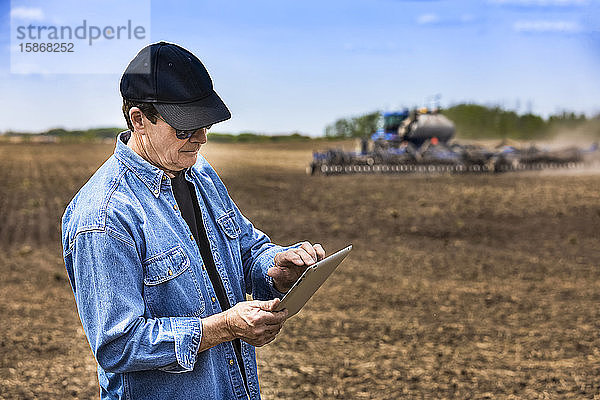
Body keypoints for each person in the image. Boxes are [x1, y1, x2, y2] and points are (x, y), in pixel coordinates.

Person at [61, 41, 325, 400]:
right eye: (185, 129)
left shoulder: (198, 172)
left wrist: (276, 268)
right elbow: (117, 344)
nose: (201, 139)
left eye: (204, 125)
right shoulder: (103, 217)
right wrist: (223, 327)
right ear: (139, 120)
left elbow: (244, 246)